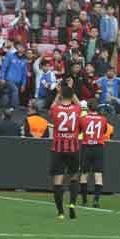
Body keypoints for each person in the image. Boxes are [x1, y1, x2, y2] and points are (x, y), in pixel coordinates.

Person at [49, 86, 82, 220]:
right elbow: (79, 103)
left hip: (58, 149)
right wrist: (70, 92)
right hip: (73, 148)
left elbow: (53, 105)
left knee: (58, 180)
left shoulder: (55, 109)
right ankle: (72, 204)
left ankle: (60, 212)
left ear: (61, 96)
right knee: (74, 177)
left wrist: (58, 93)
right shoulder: (77, 109)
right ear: (72, 96)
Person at [79, 99, 109, 208]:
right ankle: (96, 201)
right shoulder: (103, 119)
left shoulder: (83, 119)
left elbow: (79, 131)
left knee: (84, 174)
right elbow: (104, 131)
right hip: (98, 148)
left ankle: (84, 201)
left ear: (88, 107)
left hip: (86, 147)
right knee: (98, 175)